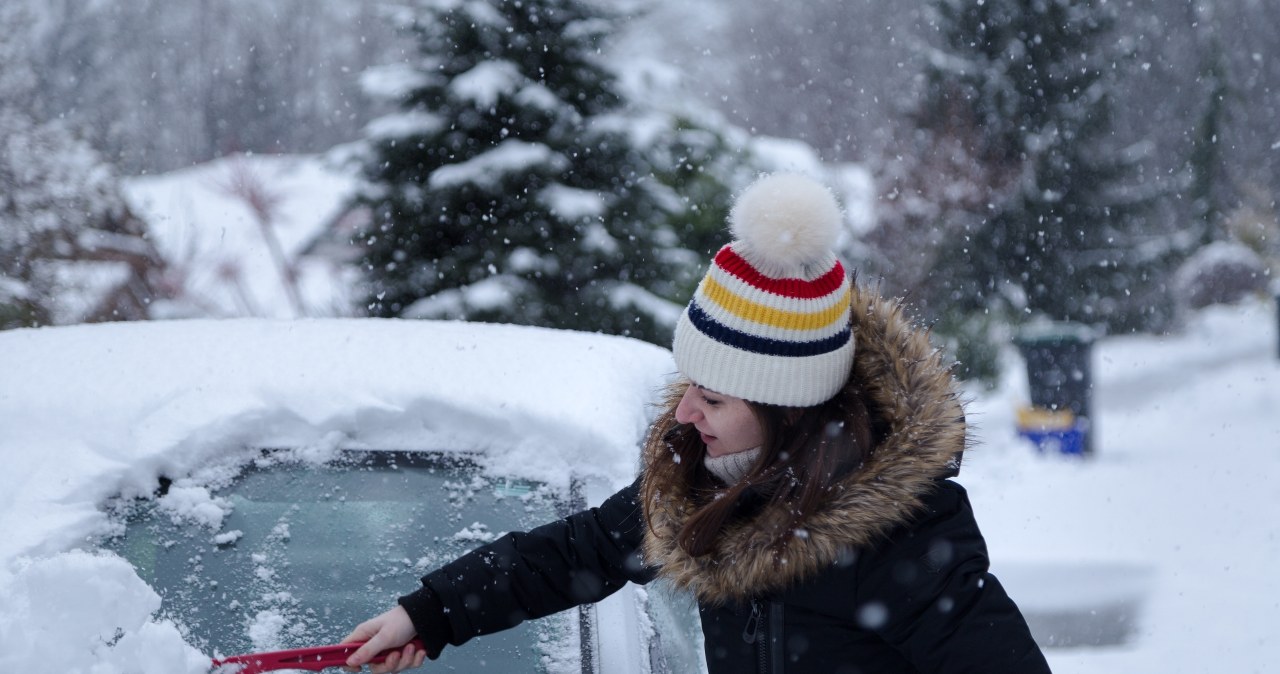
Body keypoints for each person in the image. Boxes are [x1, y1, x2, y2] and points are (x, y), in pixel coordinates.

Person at [341, 173, 1051, 673]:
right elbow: (570, 556)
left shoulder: (903, 537)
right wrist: (430, 615)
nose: (684, 413)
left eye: (712, 399)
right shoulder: (705, 488)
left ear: (785, 407)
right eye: (689, 389)